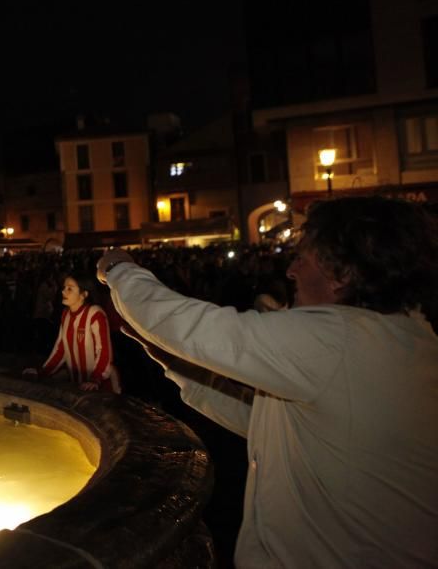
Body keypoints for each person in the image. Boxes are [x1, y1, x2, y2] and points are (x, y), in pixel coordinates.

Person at [96, 196, 438, 568]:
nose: (290, 271)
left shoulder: (337, 337)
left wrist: (119, 269)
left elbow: (192, 326)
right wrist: (173, 360)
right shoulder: (401, 340)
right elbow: (268, 421)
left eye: (302, 257)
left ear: (343, 274)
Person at [23, 273, 119, 392]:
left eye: (70, 288)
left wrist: (95, 379)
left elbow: (104, 351)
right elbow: (61, 348)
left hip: (100, 389)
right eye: (64, 288)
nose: (63, 292)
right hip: (78, 386)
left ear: (84, 294)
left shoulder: (95, 314)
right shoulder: (66, 314)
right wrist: (42, 372)